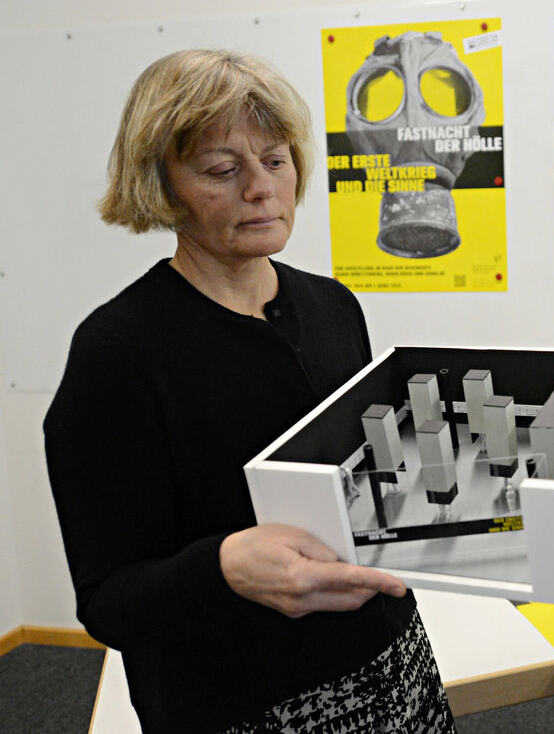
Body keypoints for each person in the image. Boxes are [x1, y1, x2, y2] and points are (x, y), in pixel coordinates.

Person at [44, 49, 455, 733]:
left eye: (275, 160)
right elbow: (110, 599)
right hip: (245, 705)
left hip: (393, 662)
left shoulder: (333, 306)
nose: (262, 188)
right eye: (222, 170)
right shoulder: (117, 351)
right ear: (161, 184)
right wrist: (223, 567)